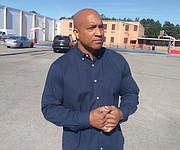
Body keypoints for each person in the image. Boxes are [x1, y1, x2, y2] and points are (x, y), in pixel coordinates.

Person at [41, 8, 139, 150]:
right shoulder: (60, 67)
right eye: (91, 28)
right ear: (77, 33)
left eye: (101, 27)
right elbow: (49, 108)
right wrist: (87, 119)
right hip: (78, 145)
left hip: (113, 144)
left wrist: (121, 113)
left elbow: (131, 93)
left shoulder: (118, 62)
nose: (99, 33)